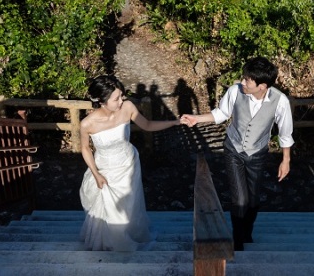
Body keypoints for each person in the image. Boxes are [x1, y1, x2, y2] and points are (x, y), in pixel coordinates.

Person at [181, 56, 294, 251]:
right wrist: (196, 119)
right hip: (233, 149)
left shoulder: (280, 100)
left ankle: (246, 230)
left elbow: (285, 132)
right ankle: (237, 239)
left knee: (254, 200)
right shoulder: (235, 91)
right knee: (240, 199)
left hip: (258, 153)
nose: (242, 82)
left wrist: (286, 160)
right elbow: (221, 114)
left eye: (248, 79)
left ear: (262, 86)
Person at [78, 74, 181, 251]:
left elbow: (147, 125)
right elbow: (85, 148)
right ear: (102, 101)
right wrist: (96, 174)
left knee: (130, 205)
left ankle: (132, 233)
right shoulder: (87, 123)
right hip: (105, 169)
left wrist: (175, 122)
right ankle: (113, 241)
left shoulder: (127, 107)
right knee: (110, 209)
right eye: (116, 98)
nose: (121, 100)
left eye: (121, 96)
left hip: (129, 164)